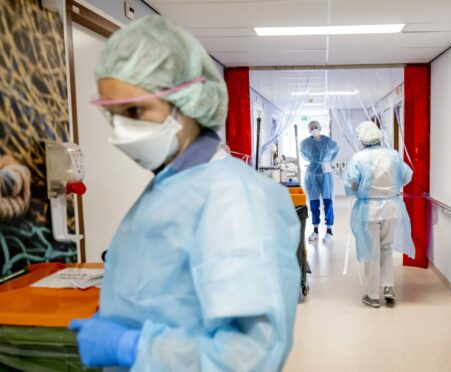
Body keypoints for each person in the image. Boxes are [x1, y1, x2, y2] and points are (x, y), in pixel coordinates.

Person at [67, 16, 301, 371]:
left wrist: (133, 347)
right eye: (113, 115)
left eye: (135, 111)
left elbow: (251, 355)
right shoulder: (173, 182)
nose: (121, 131)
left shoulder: (231, 198)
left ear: (188, 100)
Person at [344, 121, 415, 308]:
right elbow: (407, 176)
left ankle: (372, 295)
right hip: (391, 208)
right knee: (386, 248)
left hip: (369, 211)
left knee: (371, 251)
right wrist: (390, 188)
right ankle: (388, 288)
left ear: (362, 139)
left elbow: (351, 184)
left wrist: (362, 190)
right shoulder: (394, 155)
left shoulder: (359, 158)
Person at [300, 120, 340, 243]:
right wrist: (314, 161)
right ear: (309, 130)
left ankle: (329, 230)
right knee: (313, 202)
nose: (314, 129)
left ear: (320, 127)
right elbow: (304, 155)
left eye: (316, 127)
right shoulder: (305, 143)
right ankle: (315, 230)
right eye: (311, 128)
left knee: (327, 201)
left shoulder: (328, 141)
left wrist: (327, 161)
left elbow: (336, 151)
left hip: (325, 171)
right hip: (312, 173)